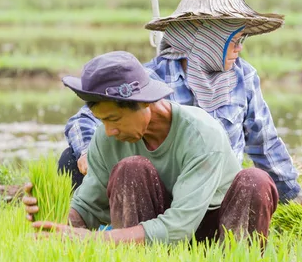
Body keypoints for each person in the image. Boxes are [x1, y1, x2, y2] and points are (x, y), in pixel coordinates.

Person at [58, 0, 302, 226]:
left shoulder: (244, 77)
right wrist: (86, 154)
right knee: (82, 160)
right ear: (207, 39)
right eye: (234, 40)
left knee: (256, 180)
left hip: (216, 200)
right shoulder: (150, 79)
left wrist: (295, 197)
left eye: (242, 40)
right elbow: (86, 118)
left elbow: (264, 144)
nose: (239, 49)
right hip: (162, 198)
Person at [24, 51, 278, 246]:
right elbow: (89, 207)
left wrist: (93, 240)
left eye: (114, 119)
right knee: (130, 168)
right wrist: (51, 219)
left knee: (255, 180)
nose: (109, 131)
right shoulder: (106, 137)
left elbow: (179, 226)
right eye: (103, 121)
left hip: (213, 226)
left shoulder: (201, 133)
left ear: (145, 104)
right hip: (152, 233)